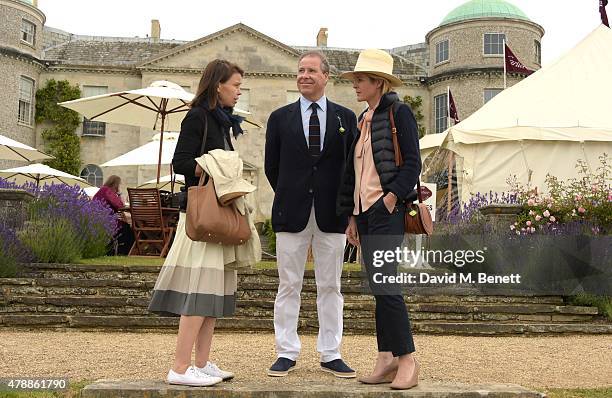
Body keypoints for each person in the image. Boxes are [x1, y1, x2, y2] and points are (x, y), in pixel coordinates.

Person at [147, 59, 248, 387]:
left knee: (211, 295)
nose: (238, 92)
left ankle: (201, 364)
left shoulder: (223, 122)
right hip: (200, 220)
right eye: (235, 86)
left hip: (216, 220)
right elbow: (180, 163)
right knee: (198, 292)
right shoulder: (198, 117)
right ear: (218, 85)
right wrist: (216, 165)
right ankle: (179, 367)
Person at [264, 50, 358, 378]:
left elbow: (352, 170)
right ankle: (286, 351)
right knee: (288, 285)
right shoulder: (279, 118)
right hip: (292, 213)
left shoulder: (347, 118)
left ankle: (331, 352)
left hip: (333, 215)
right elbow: (271, 168)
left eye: (311, 70)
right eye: (300, 70)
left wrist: (349, 212)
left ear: (325, 76)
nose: (304, 75)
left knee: (330, 286)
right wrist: (294, 193)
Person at [337, 49, 422, 390]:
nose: (356, 84)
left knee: (387, 286)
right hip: (365, 215)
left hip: (387, 212)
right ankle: (385, 357)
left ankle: (408, 361)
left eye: (361, 80)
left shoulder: (399, 113)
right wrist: (352, 216)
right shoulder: (362, 120)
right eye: (356, 79)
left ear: (379, 83)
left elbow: (413, 163)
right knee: (378, 287)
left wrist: (390, 198)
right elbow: (353, 173)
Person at [92, 175, 134, 255]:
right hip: (107, 221)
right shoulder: (107, 191)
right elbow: (120, 205)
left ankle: (119, 251)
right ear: (115, 184)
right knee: (129, 230)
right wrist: (119, 193)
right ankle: (124, 253)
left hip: (98, 220)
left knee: (126, 228)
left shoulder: (102, 190)